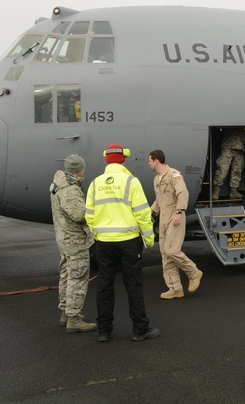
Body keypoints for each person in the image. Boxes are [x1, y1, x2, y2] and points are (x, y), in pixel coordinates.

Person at [84, 144, 159, 342]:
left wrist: (98, 234)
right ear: (123, 159)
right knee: (133, 285)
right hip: (128, 242)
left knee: (105, 286)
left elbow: (89, 215)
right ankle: (139, 330)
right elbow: (143, 213)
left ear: (106, 161)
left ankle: (104, 331)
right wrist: (149, 238)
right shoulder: (131, 182)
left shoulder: (95, 183)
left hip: (104, 243)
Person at [50, 154, 97, 333]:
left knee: (66, 275)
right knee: (77, 277)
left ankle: (65, 312)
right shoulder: (70, 189)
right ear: (80, 169)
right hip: (74, 241)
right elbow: (79, 215)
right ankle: (74, 318)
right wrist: (94, 212)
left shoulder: (59, 183)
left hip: (64, 238)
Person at [149, 149, 203, 299]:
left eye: (150, 161)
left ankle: (194, 272)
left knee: (172, 250)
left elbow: (183, 194)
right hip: (164, 217)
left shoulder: (174, 174)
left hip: (175, 215)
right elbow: (159, 201)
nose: (149, 163)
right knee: (165, 254)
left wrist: (179, 212)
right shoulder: (156, 179)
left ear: (156, 161)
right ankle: (175, 288)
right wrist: (149, 213)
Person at [212, 128, 245, 200]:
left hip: (240, 146)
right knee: (222, 167)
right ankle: (216, 190)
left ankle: (234, 191)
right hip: (228, 144)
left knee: (238, 169)